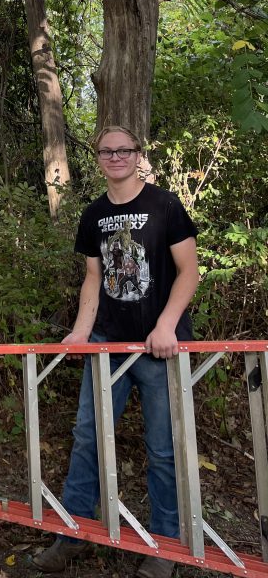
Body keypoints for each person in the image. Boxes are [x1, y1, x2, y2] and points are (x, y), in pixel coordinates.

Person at [34, 126, 199, 578]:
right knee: (88, 438)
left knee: (163, 450)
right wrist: (80, 331)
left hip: (158, 348)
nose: (116, 157)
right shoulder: (93, 214)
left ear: (138, 154)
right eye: (107, 151)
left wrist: (167, 326)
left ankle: (165, 547)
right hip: (108, 345)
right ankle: (73, 534)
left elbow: (189, 271)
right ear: (99, 158)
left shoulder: (165, 205)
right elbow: (93, 276)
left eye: (124, 150)